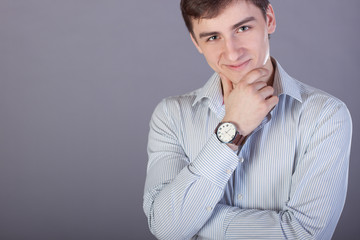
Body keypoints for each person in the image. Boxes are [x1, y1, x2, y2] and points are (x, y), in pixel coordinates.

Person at [143, 0, 353, 239]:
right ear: (196, 42)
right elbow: (165, 229)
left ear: (269, 20)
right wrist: (232, 127)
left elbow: (303, 234)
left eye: (242, 29)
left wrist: (192, 219)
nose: (232, 52)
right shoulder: (171, 116)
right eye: (212, 37)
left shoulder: (325, 115)